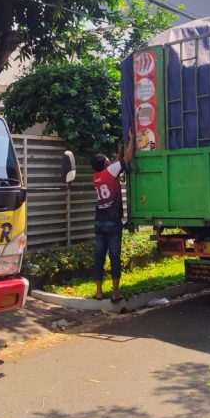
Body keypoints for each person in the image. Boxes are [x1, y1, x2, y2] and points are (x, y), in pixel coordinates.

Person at [91, 129, 135, 303]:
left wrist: (118, 153)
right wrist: (131, 140)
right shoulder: (111, 171)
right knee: (114, 257)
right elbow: (128, 158)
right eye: (107, 160)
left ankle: (99, 292)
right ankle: (115, 293)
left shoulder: (96, 177)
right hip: (112, 222)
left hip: (99, 222)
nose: (110, 161)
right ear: (104, 164)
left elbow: (114, 167)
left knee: (99, 256)